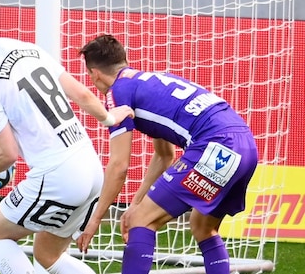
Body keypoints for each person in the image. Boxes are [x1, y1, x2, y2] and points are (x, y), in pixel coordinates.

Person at [0, 0, 134, 274]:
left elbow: (7, 155)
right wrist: (108, 118)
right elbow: (82, 94)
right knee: (48, 255)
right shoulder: (27, 48)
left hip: (57, 174)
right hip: (90, 167)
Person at [76, 34, 259, 274]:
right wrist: (136, 202)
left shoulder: (117, 93)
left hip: (215, 144)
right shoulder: (152, 81)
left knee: (141, 221)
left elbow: (119, 166)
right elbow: (164, 155)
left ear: (95, 74)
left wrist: (95, 219)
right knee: (203, 226)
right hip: (246, 146)